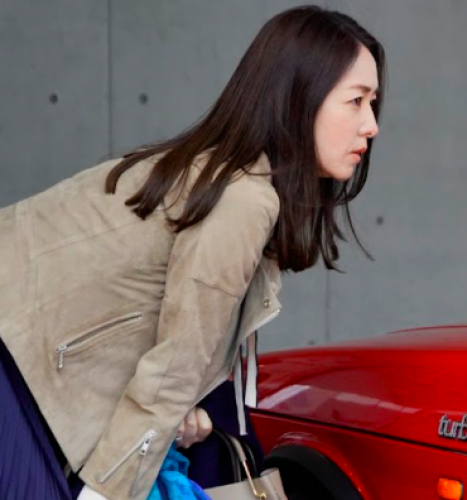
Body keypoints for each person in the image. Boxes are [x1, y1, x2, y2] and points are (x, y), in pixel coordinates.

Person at [0, 6, 383, 500]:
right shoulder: (244, 197)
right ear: (300, 99)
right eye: (355, 101)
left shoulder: (216, 172)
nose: (371, 125)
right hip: (17, 372)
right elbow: (174, 366)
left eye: (373, 103)